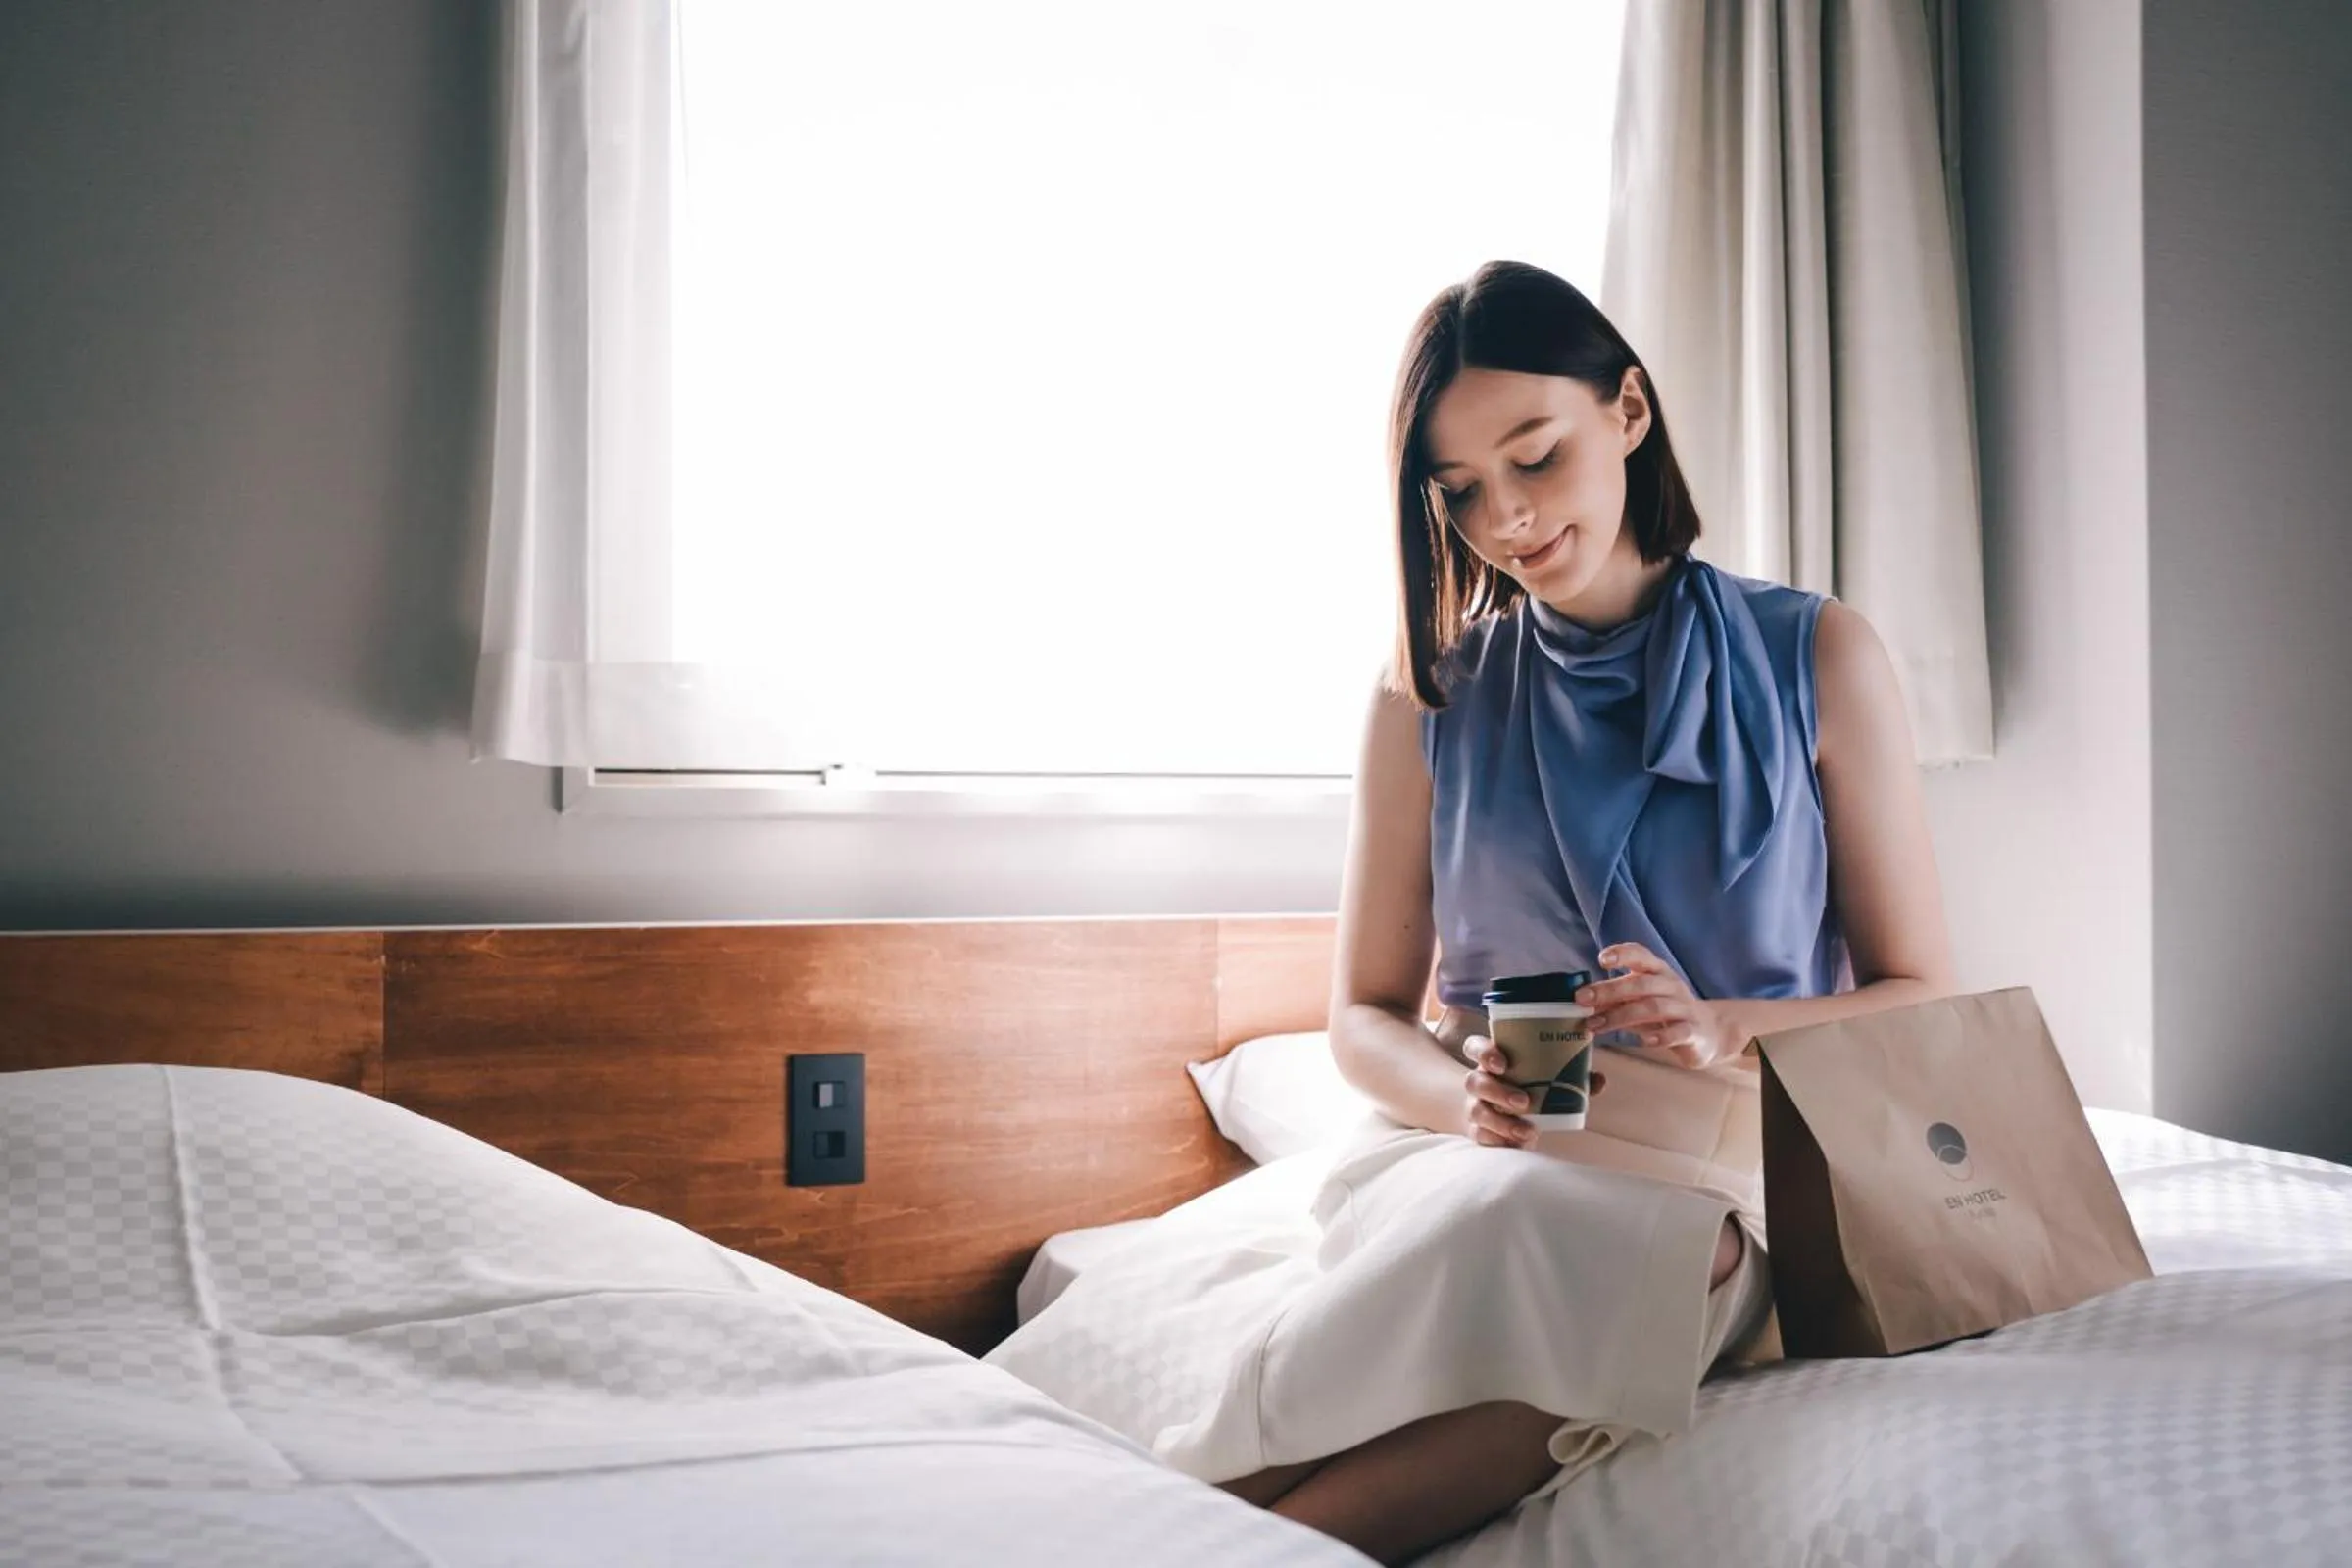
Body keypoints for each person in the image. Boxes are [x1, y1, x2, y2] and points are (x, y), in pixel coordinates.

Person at [1212, 260, 1957, 1562]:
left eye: (1536, 457)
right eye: (1459, 490)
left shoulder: (1819, 655)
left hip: (1738, 1159)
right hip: (1488, 1150)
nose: (1505, 517)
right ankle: (1204, 1513)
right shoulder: (1426, 694)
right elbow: (1364, 1019)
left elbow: (1924, 995)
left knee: (1655, 1254)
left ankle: (1201, 1532)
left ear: (1628, 410)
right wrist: (1464, 1103)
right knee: (1527, 1219)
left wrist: (1722, 1027)